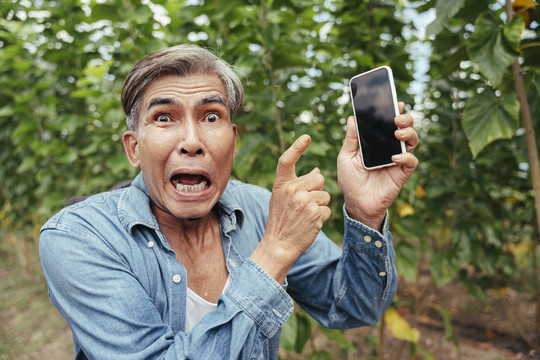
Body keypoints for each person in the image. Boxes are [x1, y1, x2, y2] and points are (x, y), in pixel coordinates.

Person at [39, 44, 418, 360]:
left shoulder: (259, 208)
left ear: (233, 140)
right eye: (164, 117)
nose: (191, 140)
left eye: (210, 115)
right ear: (134, 148)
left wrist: (366, 215)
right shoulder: (78, 237)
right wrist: (274, 252)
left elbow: (355, 306)